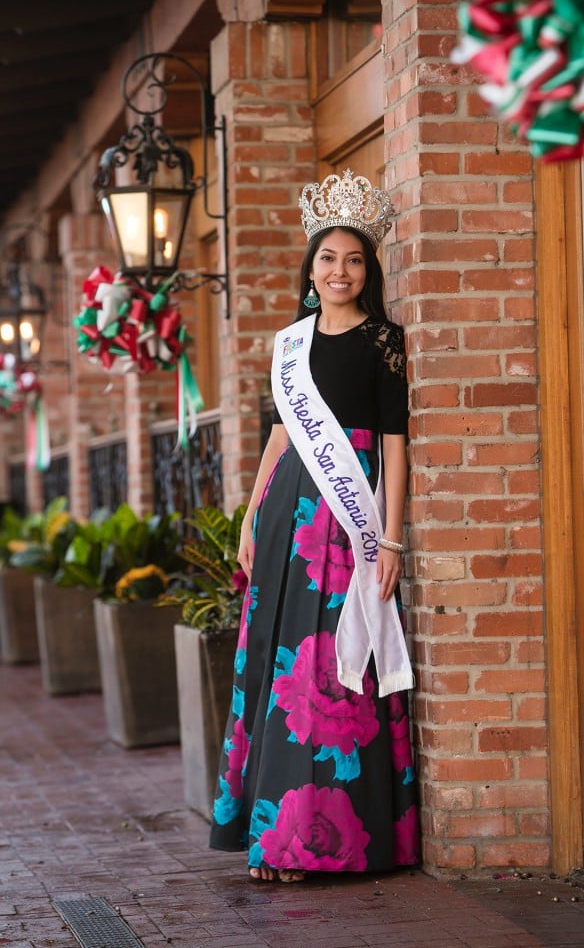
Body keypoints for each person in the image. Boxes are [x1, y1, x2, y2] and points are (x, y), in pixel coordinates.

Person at [209, 169, 420, 883]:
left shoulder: (386, 343)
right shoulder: (289, 346)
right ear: (311, 268)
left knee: (333, 669)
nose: (341, 270)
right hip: (287, 521)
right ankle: (274, 837)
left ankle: (326, 839)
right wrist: (250, 511)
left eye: (354, 259)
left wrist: (389, 539)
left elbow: (394, 444)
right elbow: (276, 438)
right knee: (282, 668)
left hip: (350, 515)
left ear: (369, 270)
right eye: (328, 258)